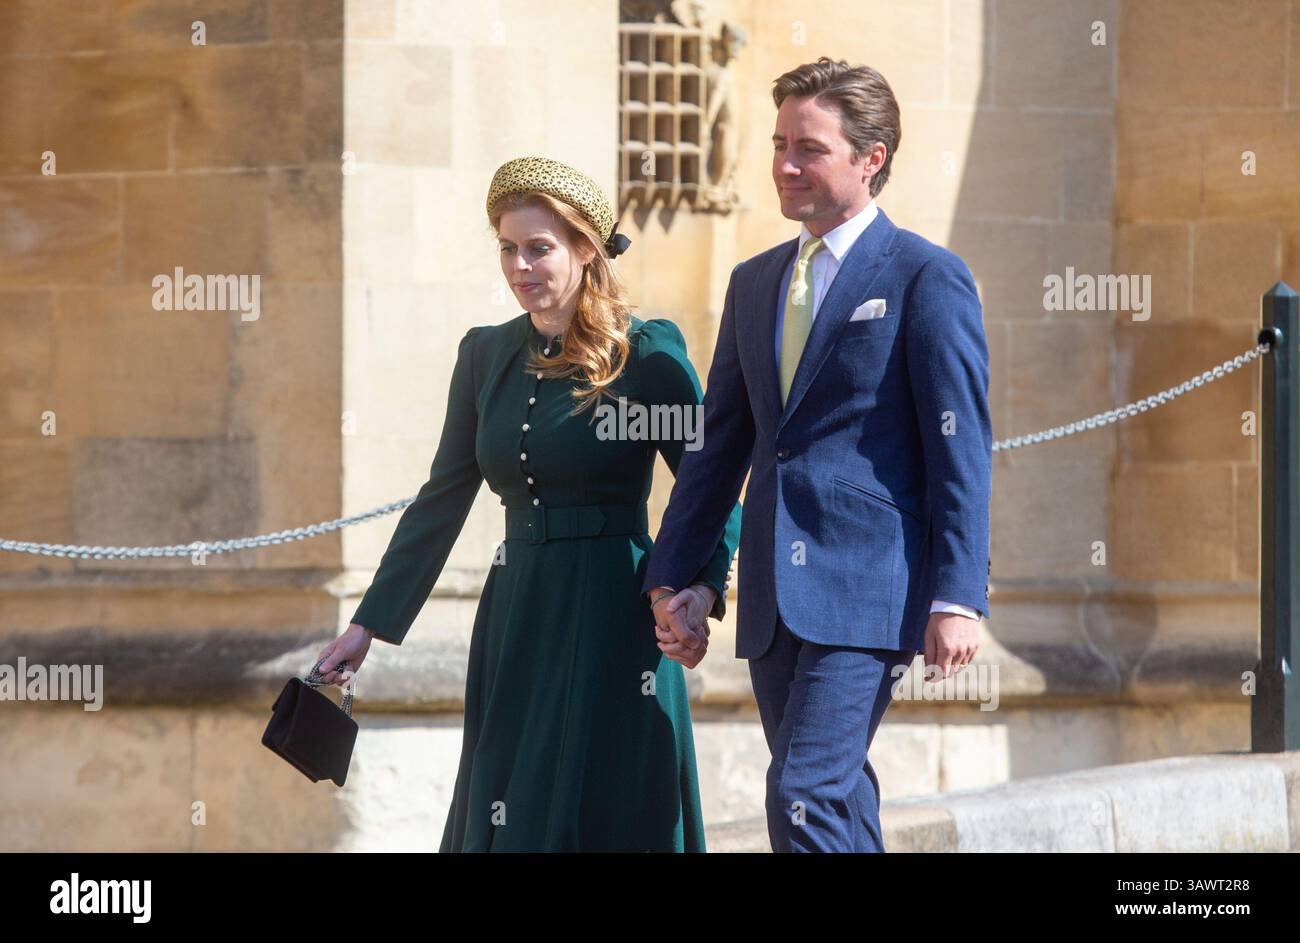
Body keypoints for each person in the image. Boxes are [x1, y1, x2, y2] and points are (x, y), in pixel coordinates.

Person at [317, 156, 741, 852]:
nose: (520, 266)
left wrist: (697, 587)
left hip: (616, 610)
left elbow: (712, 487)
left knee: (604, 807)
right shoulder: (484, 356)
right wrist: (368, 627)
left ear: (586, 248)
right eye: (509, 248)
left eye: (539, 248)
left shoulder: (647, 355)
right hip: (519, 609)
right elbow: (441, 500)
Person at [644, 58, 992, 853]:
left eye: (809, 148)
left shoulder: (926, 276)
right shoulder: (754, 281)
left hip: (870, 588)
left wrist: (958, 594)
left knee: (804, 788)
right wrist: (679, 576)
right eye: (778, 145)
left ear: (871, 159)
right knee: (832, 790)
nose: (786, 166)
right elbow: (718, 444)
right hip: (772, 592)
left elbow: (960, 444)